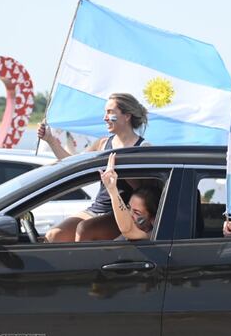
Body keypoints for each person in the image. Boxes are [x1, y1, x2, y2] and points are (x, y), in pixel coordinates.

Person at [38, 93, 149, 242]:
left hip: (124, 212)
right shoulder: (103, 143)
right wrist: (50, 140)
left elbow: (147, 191)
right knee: (54, 235)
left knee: (84, 230)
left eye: (110, 112)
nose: (105, 117)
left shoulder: (143, 147)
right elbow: (73, 164)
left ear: (126, 116)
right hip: (98, 207)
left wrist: (120, 173)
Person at [100, 153, 160, 241]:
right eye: (128, 207)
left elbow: (128, 230)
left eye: (137, 213)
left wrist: (112, 190)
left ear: (153, 219)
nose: (129, 214)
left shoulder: (149, 237)